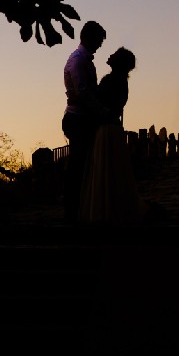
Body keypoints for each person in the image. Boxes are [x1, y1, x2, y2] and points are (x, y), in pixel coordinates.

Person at [80, 47, 146, 226]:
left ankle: (104, 209)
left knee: (104, 169)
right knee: (114, 170)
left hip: (106, 128)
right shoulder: (120, 82)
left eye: (114, 55)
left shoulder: (111, 81)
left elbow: (99, 102)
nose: (110, 55)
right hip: (112, 127)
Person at [61, 20, 109, 222]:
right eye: (98, 41)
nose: (99, 45)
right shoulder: (79, 60)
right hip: (78, 119)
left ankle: (79, 207)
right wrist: (102, 112)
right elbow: (83, 93)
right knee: (78, 165)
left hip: (81, 117)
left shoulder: (83, 59)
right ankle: (72, 209)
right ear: (89, 38)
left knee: (82, 164)